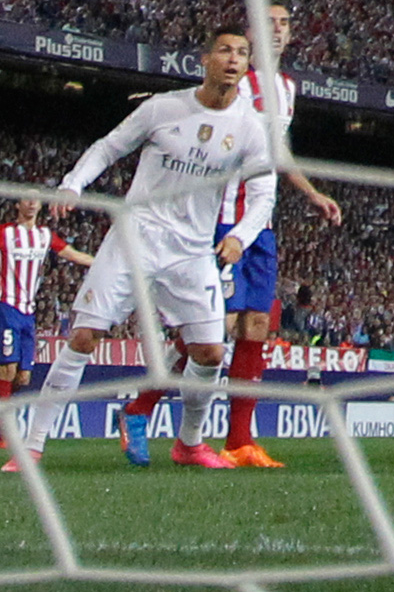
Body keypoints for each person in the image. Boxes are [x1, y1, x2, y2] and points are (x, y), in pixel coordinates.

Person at [21, 27, 277, 469]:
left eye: (242, 54)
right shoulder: (163, 108)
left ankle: (189, 444)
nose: (233, 60)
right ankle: (32, 446)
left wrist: (240, 236)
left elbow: (264, 195)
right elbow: (108, 148)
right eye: (225, 51)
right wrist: (73, 184)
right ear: (205, 59)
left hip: (193, 251)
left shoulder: (250, 128)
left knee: (211, 352)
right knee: (83, 337)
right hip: (135, 237)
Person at [166, 2, 345, 468]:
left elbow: (278, 155)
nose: (278, 31)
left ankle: (239, 441)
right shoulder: (233, 82)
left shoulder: (286, 88)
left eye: (284, 23)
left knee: (257, 326)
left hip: (259, 222)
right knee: (214, 329)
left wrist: (311, 193)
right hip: (221, 218)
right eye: (268, 24)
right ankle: (142, 408)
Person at [1, 199, 95, 471]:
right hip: (5, 308)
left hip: (29, 314)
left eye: (35, 200)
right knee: (6, 370)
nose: (30, 204)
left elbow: (74, 255)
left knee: (23, 376)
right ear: (18, 204)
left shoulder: (44, 236)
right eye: (26, 200)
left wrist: (105, 265)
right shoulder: (5, 233)